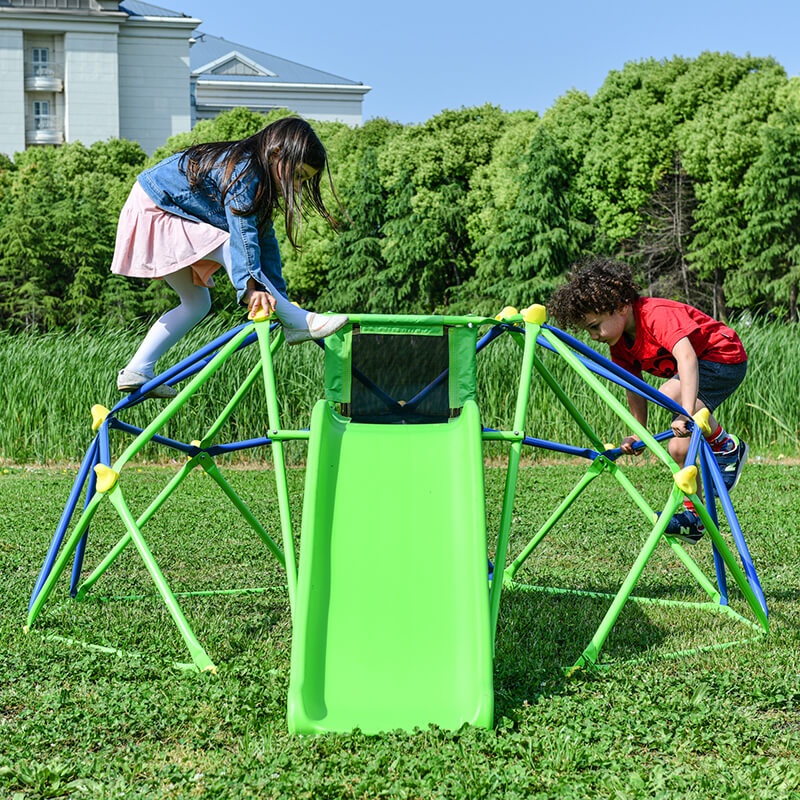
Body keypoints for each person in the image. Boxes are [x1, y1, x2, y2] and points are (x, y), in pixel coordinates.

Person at [111, 116, 348, 398]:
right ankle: (299, 321)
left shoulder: (259, 182)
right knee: (228, 242)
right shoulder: (246, 168)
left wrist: (280, 299)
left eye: (304, 180)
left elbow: (265, 242)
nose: (297, 187)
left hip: (157, 209)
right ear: (275, 154)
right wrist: (250, 286)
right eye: (297, 176)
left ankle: (137, 370)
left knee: (196, 304)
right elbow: (241, 232)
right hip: (156, 209)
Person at [548, 257, 749, 544]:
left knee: (668, 394)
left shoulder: (655, 315)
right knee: (679, 449)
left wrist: (687, 413)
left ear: (619, 306)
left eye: (595, 326)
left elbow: (687, 358)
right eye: (589, 331)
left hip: (722, 359)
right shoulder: (620, 345)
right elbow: (634, 386)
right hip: (697, 371)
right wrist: (637, 431)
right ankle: (694, 519)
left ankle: (724, 445)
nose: (593, 336)